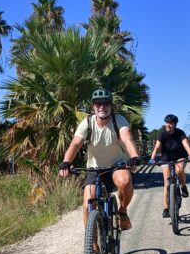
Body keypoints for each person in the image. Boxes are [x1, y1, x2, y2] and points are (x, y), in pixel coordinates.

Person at [59, 88, 140, 231]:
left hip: (117, 165)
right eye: (98, 104)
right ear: (93, 107)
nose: (102, 107)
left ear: (111, 106)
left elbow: (127, 139)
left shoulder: (118, 120)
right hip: (94, 168)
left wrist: (134, 157)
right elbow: (76, 143)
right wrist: (66, 162)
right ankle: (93, 248)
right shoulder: (87, 123)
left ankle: (122, 211)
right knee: (87, 206)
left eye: (106, 103)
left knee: (125, 181)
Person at [149, 114, 190, 218]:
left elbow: (186, 145)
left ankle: (183, 186)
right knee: (167, 183)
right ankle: (166, 208)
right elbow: (157, 148)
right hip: (166, 159)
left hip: (180, 157)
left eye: (171, 123)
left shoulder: (180, 133)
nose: (168, 125)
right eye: (167, 123)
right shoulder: (162, 134)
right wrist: (152, 158)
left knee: (179, 171)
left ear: (175, 124)